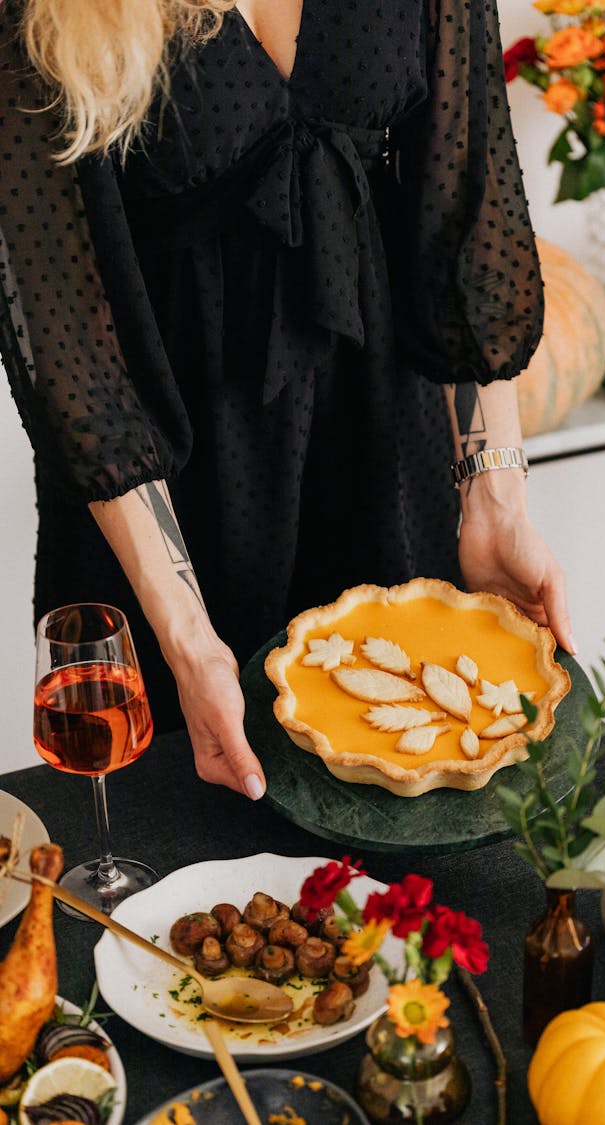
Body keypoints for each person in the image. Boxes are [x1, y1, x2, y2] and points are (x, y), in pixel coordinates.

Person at [0, 0, 574, 802]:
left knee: (410, 843)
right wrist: (187, 636)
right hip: (162, 484)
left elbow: (466, 210)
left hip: (383, 451)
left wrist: (497, 498)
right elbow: (61, 312)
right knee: (172, 850)